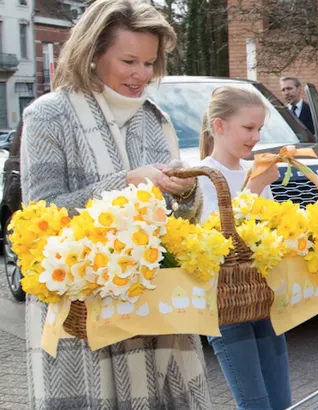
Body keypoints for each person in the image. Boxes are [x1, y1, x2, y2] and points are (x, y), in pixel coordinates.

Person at [20, 0, 211, 408]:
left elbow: (179, 228)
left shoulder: (153, 118)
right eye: (129, 61)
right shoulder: (48, 117)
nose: (141, 75)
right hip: (83, 320)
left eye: (150, 62)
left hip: (156, 317)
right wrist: (123, 183)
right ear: (92, 54)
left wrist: (185, 194)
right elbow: (41, 216)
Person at [198, 85, 291, 409]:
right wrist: (254, 187)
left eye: (259, 129)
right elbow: (220, 239)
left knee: (281, 402)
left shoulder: (254, 174)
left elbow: (268, 232)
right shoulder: (203, 177)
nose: (255, 137)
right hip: (226, 308)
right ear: (220, 126)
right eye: (248, 128)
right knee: (255, 404)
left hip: (263, 300)